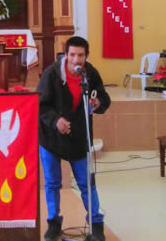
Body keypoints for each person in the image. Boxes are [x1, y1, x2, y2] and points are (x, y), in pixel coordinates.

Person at [37, 36, 111, 241]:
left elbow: (104, 98)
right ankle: (53, 222)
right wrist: (56, 120)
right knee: (52, 182)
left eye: (80, 55)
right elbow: (40, 105)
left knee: (87, 183)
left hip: (78, 136)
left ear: (86, 56)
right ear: (66, 55)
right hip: (51, 137)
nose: (76, 60)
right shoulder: (52, 74)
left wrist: (98, 103)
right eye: (72, 55)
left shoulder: (90, 74)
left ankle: (95, 223)